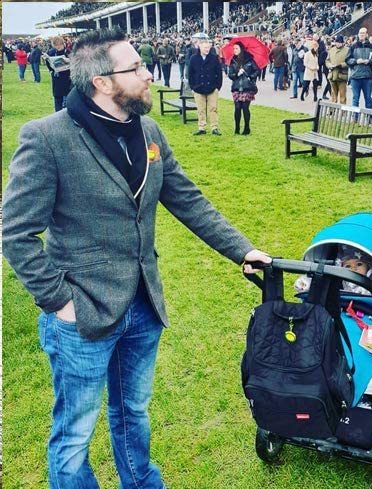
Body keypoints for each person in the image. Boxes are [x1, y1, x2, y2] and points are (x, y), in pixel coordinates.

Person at [2, 28, 270, 489]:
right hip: (81, 315)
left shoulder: (147, 129)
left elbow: (187, 199)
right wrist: (59, 303)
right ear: (102, 82)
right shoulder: (47, 138)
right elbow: (15, 231)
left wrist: (242, 249)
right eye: (136, 68)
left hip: (143, 305)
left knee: (133, 413)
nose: (148, 74)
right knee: (74, 435)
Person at [188, 39, 223, 136]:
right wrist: (193, 87)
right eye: (205, 47)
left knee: (213, 108)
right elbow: (190, 74)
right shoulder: (193, 58)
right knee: (201, 109)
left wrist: (218, 87)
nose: (207, 49)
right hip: (198, 88)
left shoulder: (214, 58)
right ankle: (201, 127)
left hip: (212, 88)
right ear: (200, 47)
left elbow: (219, 73)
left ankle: (214, 127)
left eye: (208, 47)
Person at [227, 42, 261, 135]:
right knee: (237, 108)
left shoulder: (249, 60)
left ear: (241, 49)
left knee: (245, 108)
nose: (235, 50)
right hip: (237, 87)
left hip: (247, 87)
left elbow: (257, 70)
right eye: (234, 49)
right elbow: (230, 74)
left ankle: (247, 128)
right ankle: (237, 128)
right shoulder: (233, 61)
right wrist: (237, 74)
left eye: (236, 48)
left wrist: (250, 76)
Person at [346, 27, 372, 110]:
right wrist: (356, 61)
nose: (361, 35)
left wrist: (369, 61)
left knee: (368, 99)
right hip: (355, 76)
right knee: (355, 99)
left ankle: (369, 118)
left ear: (367, 35)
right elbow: (347, 60)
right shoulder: (353, 46)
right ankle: (354, 118)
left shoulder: (371, 47)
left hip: (367, 76)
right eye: (360, 33)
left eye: (363, 33)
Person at [47, 36, 71, 111]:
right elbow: (49, 66)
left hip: (67, 79)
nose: (58, 47)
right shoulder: (51, 52)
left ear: (63, 44)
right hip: (56, 79)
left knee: (67, 99)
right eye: (56, 45)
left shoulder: (68, 52)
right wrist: (48, 61)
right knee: (57, 99)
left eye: (59, 45)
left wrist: (69, 61)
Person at [326, 34, 349, 104]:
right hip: (332, 75)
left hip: (342, 75)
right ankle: (332, 111)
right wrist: (330, 65)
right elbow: (327, 60)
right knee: (333, 95)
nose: (338, 44)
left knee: (342, 96)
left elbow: (349, 62)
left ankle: (343, 112)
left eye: (339, 42)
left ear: (342, 43)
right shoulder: (331, 50)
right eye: (337, 42)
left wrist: (341, 65)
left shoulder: (347, 50)